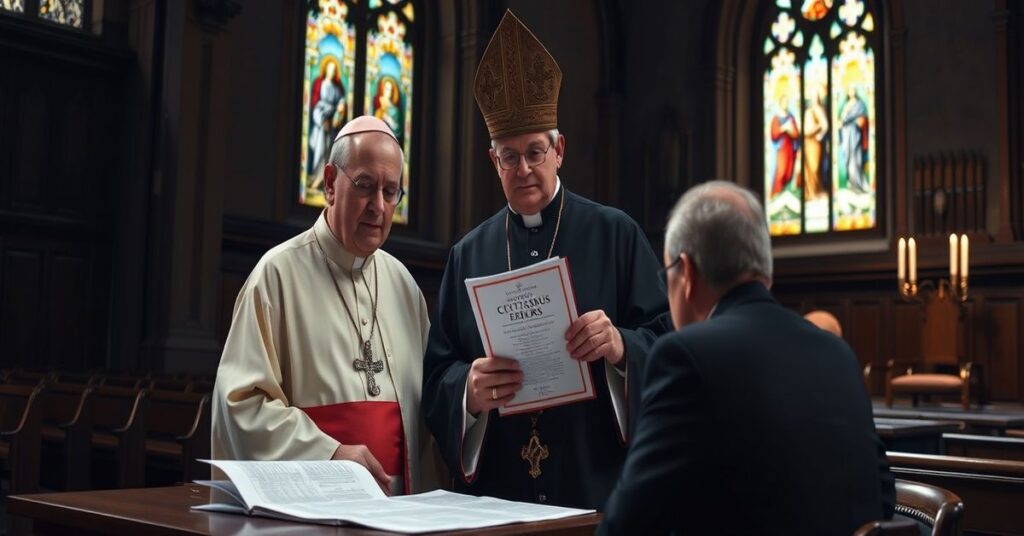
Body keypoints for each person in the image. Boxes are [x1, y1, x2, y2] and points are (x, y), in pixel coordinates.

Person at [422, 10, 671, 510]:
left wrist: (620, 346)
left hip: (594, 482)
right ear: (493, 162)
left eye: (535, 152)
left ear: (559, 150)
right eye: (509, 156)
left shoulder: (616, 233)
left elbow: (666, 347)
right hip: (498, 491)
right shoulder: (468, 253)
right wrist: (469, 392)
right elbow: (437, 374)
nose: (524, 168)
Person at [598, 181, 895, 535]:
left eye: (668, 276)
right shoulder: (838, 354)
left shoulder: (687, 355)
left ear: (687, 273)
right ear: (763, 270)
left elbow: (628, 524)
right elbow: (882, 496)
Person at [213, 116, 438, 496]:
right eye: (366, 186)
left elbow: (432, 403)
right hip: (313, 508)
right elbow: (240, 404)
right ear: (331, 183)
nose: (379, 206)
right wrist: (328, 453)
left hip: (400, 512)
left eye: (391, 191)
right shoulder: (276, 276)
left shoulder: (403, 286)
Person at [308, 57, 347, 193]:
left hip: (331, 124)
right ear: (325, 69)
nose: (331, 71)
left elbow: (340, 104)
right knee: (319, 149)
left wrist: (339, 111)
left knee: (329, 152)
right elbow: (315, 105)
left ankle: (324, 181)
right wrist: (321, 120)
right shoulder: (320, 84)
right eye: (329, 68)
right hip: (321, 121)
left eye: (333, 69)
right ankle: (317, 176)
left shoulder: (337, 90)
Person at [770, 87, 800, 196]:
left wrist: (791, 130)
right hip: (782, 147)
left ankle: (786, 192)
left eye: (787, 102)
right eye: (784, 102)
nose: (786, 104)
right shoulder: (776, 118)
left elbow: (797, 133)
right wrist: (784, 128)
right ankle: (777, 193)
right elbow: (774, 134)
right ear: (780, 103)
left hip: (791, 147)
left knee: (789, 171)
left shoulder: (791, 117)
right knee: (781, 171)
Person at [840, 84, 870, 194]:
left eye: (853, 89)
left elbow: (858, 117)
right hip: (846, 133)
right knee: (847, 155)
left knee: (855, 155)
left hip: (855, 133)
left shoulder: (859, 104)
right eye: (849, 90)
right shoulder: (846, 105)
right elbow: (842, 119)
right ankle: (850, 182)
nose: (851, 92)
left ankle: (858, 182)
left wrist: (847, 118)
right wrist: (844, 116)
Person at [803, 84, 829, 199]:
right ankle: (811, 191)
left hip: (818, 142)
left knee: (818, 166)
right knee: (811, 166)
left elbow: (825, 125)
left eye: (817, 95)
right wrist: (815, 128)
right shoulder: (808, 111)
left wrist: (821, 133)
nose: (815, 98)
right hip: (809, 142)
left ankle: (818, 189)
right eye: (813, 96)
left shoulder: (821, 109)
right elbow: (806, 129)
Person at [373, 77, 402, 142]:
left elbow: (397, 131)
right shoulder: (378, 102)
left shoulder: (394, 110)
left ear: (392, 92)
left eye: (389, 90)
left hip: (389, 140)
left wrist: (389, 119)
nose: (387, 92)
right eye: (386, 88)